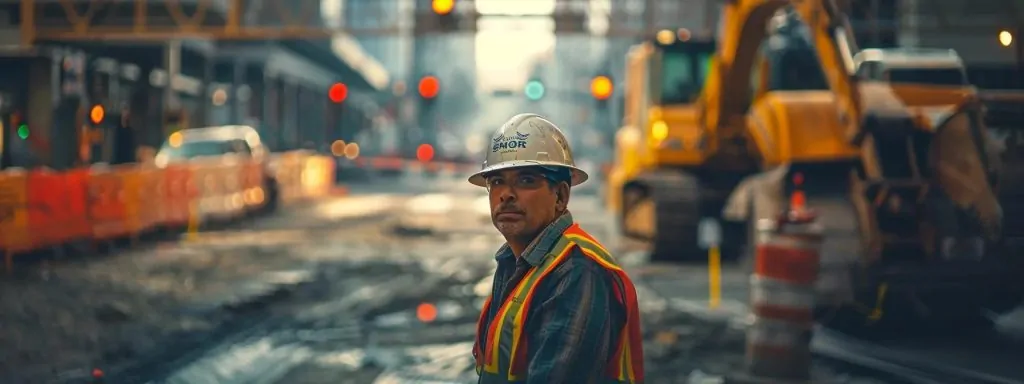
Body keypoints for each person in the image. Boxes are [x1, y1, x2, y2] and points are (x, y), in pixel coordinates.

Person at [470, 113, 645, 383]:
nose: (506, 193)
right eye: (496, 181)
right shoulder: (515, 264)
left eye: (526, 180)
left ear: (561, 196)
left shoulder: (577, 271)